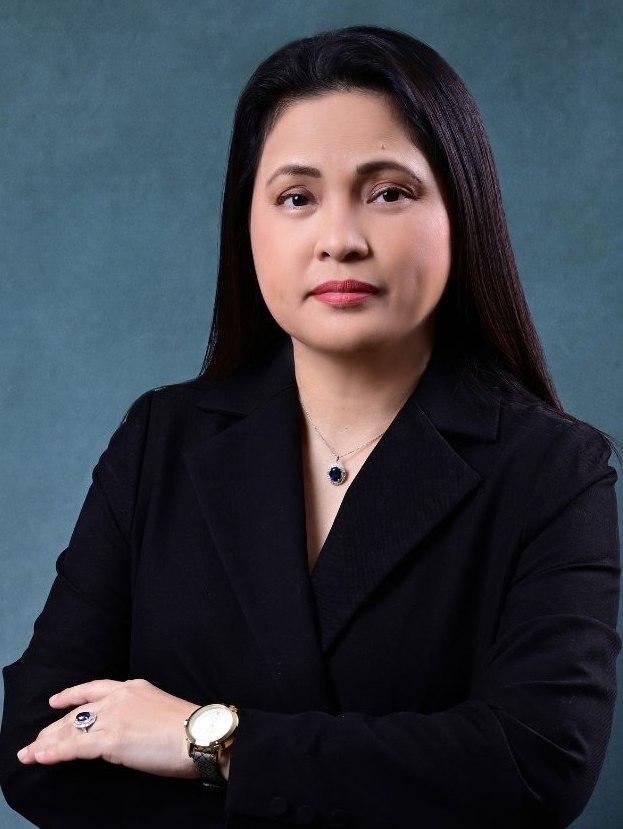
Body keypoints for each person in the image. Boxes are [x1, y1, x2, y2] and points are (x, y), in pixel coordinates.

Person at [1, 23, 620, 829]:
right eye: (296, 197)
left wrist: (205, 738)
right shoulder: (162, 439)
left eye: (388, 192)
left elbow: (535, 765)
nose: (340, 240)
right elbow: (37, 741)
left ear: (460, 212)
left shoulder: (551, 468)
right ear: (246, 225)